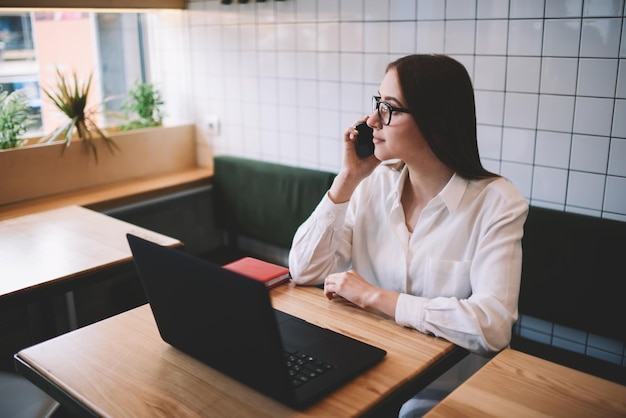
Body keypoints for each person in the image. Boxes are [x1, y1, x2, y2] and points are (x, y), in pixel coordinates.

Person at [288, 54, 529, 416]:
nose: (371, 121)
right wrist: (346, 181)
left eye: (390, 109)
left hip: (443, 392)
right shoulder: (372, 183)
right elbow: (304, 271)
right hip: (365, 367)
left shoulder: (497, 203)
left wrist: (375, 297)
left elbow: (492, 327)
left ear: (438, 123)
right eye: (377, 104)